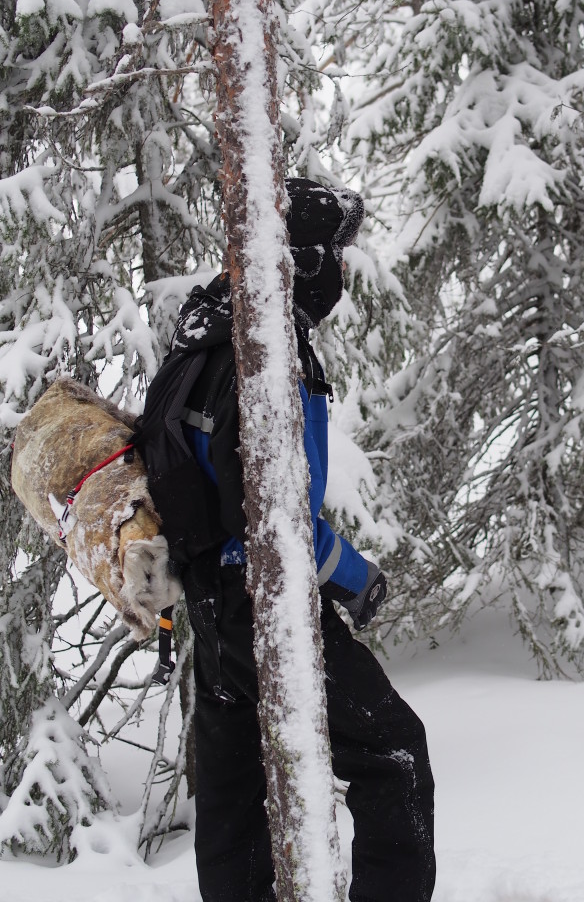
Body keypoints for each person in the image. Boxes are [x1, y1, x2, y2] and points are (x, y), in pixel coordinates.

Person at [138, 178, 436, 902]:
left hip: (209, 612)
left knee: (236, 795)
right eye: (338, 252)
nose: (344, 269)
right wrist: (355, 579)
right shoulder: (264, 346)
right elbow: (273, 518)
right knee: (393, 751)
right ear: (304, 258)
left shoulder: (197, 335)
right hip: (261, 601)